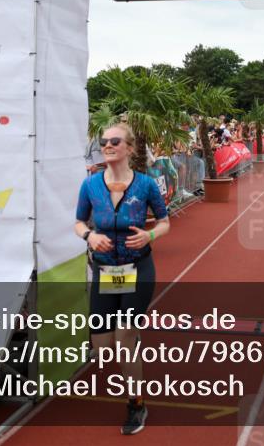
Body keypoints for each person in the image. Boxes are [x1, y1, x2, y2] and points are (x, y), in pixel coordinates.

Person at [72, 123, 170, 436]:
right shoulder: (90, 185)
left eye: (115, 141)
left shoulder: (145, 185)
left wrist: (150, 234)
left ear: (129, 147)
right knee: (102, 347)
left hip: (137, 269)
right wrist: (89, 236)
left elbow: (166, 222)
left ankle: (136, 403)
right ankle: (131, 339)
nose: (108, 145)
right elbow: (77, 222)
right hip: (105, 271)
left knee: (123, 341)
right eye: (104, 142)